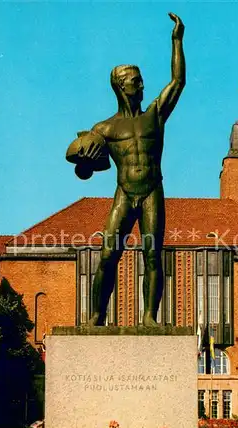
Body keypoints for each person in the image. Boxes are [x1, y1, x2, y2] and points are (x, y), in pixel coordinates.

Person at [66, 13, 185, 326]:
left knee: (152, 256)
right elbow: (85, 171)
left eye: (141, 79)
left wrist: (177, 41)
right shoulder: (104, 128)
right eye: (136, 80)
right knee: (108, 255)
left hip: (151, 191)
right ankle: (96, 315)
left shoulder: (155, 115)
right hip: (124, 193)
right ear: (121, 86)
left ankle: (149, 317)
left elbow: (178, 82)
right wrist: (83, 161)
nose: (142, 84)